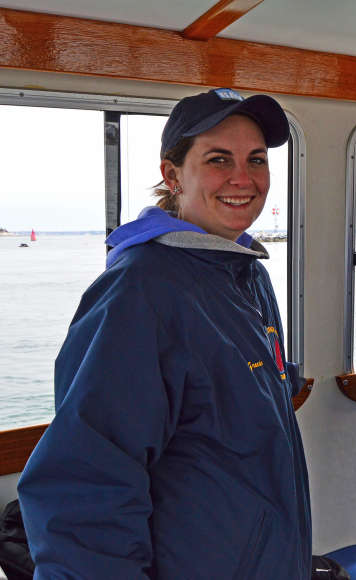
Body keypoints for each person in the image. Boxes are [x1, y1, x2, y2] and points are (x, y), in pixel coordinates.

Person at [17, 88, 311, 578]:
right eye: (219, 159)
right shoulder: (139, 290)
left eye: (256, 160)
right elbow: (85, 484)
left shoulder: (244, 273)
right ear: (172, 175)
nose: (244, 178)